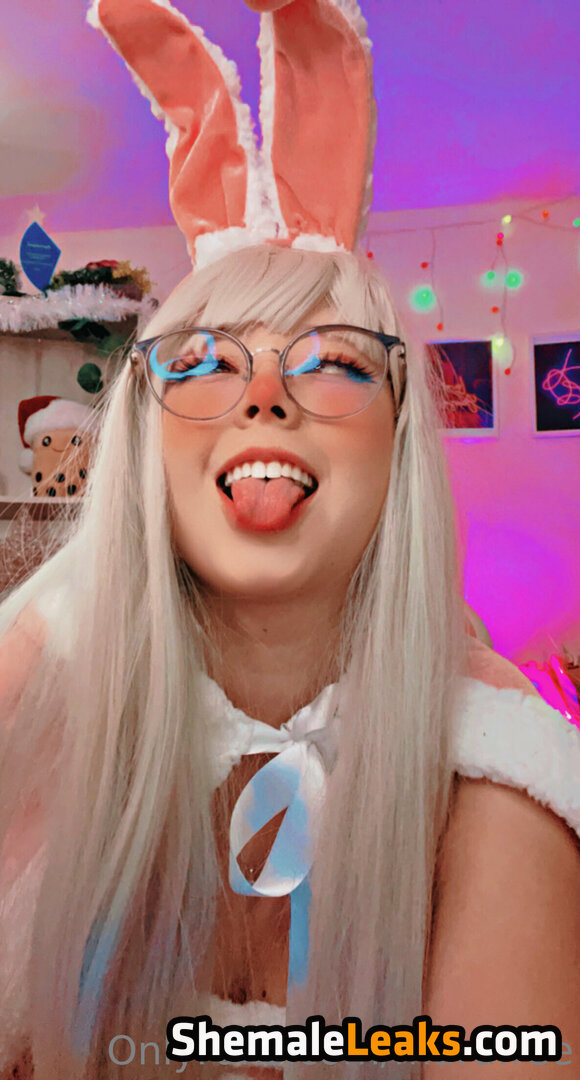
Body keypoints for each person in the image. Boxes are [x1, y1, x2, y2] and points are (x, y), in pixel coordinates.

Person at [1, 2, 580, 1079]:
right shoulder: (49, 702)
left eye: (336, 362)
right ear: (144, 439)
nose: (263, 396)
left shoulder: (495, 766)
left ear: (399, 444)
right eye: (204, 362)